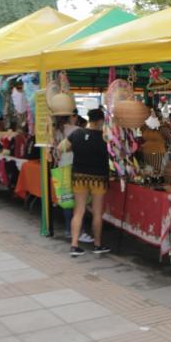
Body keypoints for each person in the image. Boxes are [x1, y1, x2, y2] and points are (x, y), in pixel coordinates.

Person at [61, 108, 112, 257]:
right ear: (101, 121)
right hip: (98, 178)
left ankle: (74, 245)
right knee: (97, 213)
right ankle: (97, 245)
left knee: (79, 211)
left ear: (89, 119)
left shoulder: (77, 133)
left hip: (79, 176)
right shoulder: (105, 138)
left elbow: (60, 148)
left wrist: (75, 150)